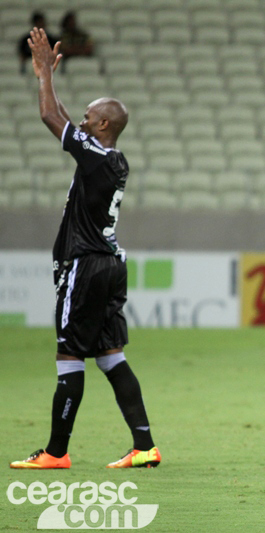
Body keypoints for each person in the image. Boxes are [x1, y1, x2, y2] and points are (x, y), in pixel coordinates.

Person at [10, 28, 160, 470]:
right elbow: (62, 119)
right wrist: (49, 79)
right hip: (111, 263)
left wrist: (41, 74)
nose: (80, 119)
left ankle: (56, 452)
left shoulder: (95, 157)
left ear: (103, 125)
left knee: (68, 354)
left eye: (88, 115)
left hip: (87, 265)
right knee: (112, 356)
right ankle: (145, 445)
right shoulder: (111, 158)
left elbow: (49, 118)